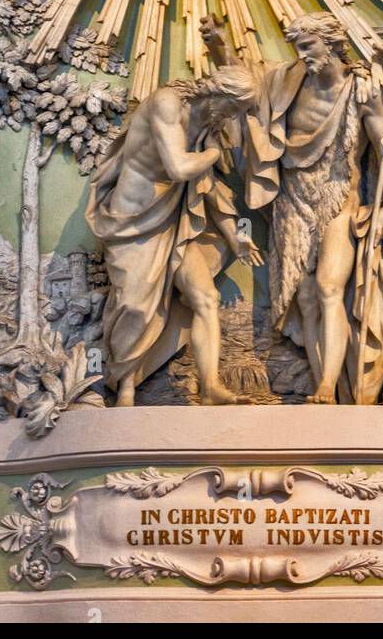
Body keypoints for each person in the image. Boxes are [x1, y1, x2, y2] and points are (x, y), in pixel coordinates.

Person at [202, 12, 383, 404]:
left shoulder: (362, 93)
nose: (302, 55)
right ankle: (326, 393)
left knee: (328, 286)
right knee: (304, 297)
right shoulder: (288, 82)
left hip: (339, 199)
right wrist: (218, 44)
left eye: (308, 46)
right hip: (293, 201)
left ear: (332, 42)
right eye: (298, 48)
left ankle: (325, 385)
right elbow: (244, 88)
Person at [87, 66, 262, 405]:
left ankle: (210, 386)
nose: (231, 118)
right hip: (133, 221)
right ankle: (125, 388)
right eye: (233, 108)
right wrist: (212, 153)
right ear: (217, 93)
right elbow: (179, 168)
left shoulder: (209, 124)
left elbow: (205, 184)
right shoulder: (167, 103)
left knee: (206, 298)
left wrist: (233, 233)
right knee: (134, 307)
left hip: (176, 219)